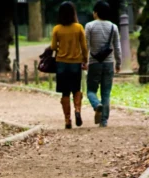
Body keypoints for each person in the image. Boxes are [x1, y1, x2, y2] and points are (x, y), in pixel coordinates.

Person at [50, 1, 88, 129]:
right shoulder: (79, 28)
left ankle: (67, 120)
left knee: (65, 93)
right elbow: (84, 46)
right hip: (75, 63)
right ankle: (77, 110)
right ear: (73, 13)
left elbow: (54, 47)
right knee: (76, 89)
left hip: (61, 64)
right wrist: (85, 60)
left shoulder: (57, 29)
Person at [85, 0, 121, 127]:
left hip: (94, 63)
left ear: (96, 13)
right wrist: (118, 63)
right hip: (109, 63)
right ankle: (104, 121)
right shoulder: (113, 27)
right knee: (106, 93)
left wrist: (84, 61)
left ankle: (96, 104)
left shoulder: (89, 26)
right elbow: (117, 47)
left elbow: (86, 46)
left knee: (90, 90)